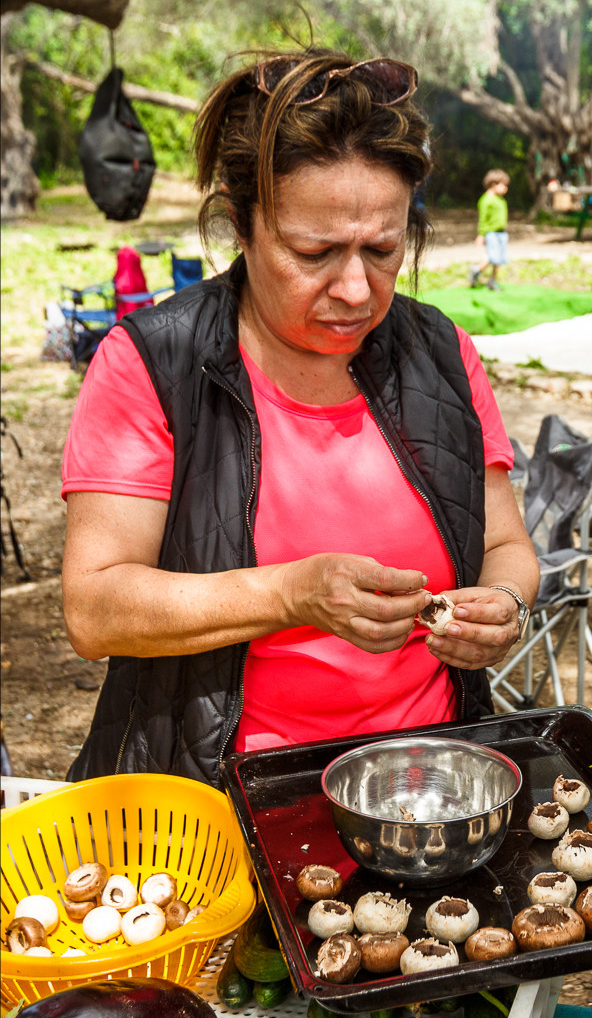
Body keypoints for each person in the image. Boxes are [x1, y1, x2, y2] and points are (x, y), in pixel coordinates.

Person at [60, 50, 540, 789]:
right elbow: (95, 609)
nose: (355, 288)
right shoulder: (153, 364)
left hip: (427, 787)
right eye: (314, 252)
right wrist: (291, 594)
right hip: (224, 795)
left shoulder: (443, 353)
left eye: (384, 249)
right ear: (239, 221)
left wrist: (503, 604)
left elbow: (507, 544)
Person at [469, 169, 510, 291]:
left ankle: (492, 281)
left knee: (499, 260)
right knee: (492, 257)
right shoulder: (486, 200)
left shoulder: (501, 200)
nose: (506, 188)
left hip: (501, 233)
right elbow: (483, 219)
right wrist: (481, 235)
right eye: (503, 185)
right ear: (493, 184)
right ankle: (476, 270)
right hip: (491, 233)